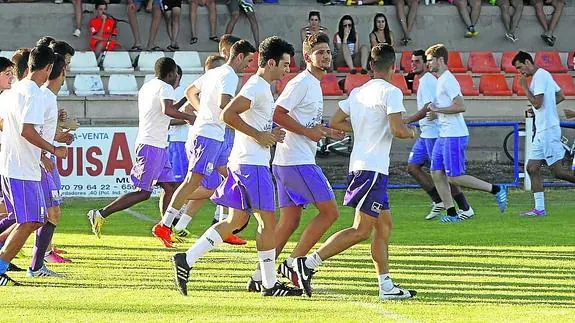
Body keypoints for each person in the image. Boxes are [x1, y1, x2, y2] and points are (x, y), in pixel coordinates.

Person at [171, 36, 302, 297]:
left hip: (246, 161)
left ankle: (186, 259)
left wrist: (269, 131)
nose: (288, 69)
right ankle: (268, 284)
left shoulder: (260, 87)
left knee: (236, 220)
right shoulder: (256, 86)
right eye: (285, 64)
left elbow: (248, 119)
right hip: (251, 164)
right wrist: (259, 135)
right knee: (267, 221)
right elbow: (227, 114)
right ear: (272, 62)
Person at [295, 43, 418, 301]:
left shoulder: (359, 91)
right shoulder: (392, 92)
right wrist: (412, 133)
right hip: (371, 169)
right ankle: (307, 265)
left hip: (367, 168)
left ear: (371, 66)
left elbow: (336, 122)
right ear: (393, 67)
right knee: (361, 230)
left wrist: (362, 128)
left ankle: (385, 286)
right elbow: (398, 129)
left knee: (384, 228)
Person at [246, 34, 344, 292]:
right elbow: (277, 114)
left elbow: (304, 124)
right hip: (295, 162)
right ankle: (293, 263)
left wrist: (323, 131)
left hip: (288, 161)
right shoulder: (302, 82)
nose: (325, 56)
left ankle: (259, 277)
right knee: (330, 212)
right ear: (307, 57)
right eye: (320, 52)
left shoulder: (312, 84)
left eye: (327, 52)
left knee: (289, 221)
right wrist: (307, 132)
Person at [151, 40, 256, 248]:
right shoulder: (229, 75)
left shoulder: (215, 73)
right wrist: (248, 115)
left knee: (229, 175)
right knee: (193, 181)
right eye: (249, 60)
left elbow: (190, 91)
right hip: (207, 136)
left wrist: (202, 113)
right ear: (239, 57)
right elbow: (225, 104)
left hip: (212, 134)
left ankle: (224, 226)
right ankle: (165, 224)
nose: (249, 66)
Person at [86, 57, 195, 238]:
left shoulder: (149, 86)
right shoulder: (164, 87)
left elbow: (165, 112)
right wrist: (189, 117)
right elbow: (168, 111)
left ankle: (165, 228)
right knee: (143, 192)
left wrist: (186, 97)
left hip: (157, 144)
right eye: (177, 75)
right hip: (152, 145)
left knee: (169, 186)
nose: (177, 79)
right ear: (170, 74)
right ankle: (100, 213)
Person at [0, 45, 67, 287]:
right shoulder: (34, 95)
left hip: (13, 164)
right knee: (30, 220)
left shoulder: (12, 91)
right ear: (49, 68)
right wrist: (52, 150)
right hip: (22, 168)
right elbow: (27, 131)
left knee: (33, 219)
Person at [424, 44, 507, 223]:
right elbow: (446, 108)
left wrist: (437, 110)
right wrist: (435, 113)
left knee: (454, 176)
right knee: (436, 172)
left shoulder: (448, 80)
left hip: (454, 134)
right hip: (444, 134)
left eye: (430, 60)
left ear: (440, 60)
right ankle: (452, 213)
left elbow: (461, 106)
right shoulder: (440, 80)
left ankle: (496, 189)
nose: (427, 64)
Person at [403, 50, 474, 220]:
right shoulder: (423, 81)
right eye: (412, 61)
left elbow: (429, 106)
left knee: (443, 173)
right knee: (413, 167)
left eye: (418, 61)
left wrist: (409, 120)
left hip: (434, 132)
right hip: (425, 133)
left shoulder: (428, 81)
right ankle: (438, 201)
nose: (414, 64)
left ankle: (464, 207)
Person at [512, 51, 574, 216]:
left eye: (520, 67)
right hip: (543, 130)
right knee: (532, 168)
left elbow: (538, 103)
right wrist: (538, 109)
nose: (520, 72)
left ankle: (540, 209)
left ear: (527, 61)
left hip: (548, 130)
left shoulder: (539, 77)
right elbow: (560, 96)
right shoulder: (544, 74)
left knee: (558, 172)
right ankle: (539, 209)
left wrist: (524, 87)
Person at [27, 54, 71, 277]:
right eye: (67, 65)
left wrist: (59, 135)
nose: (68, 70)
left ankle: (37, 264)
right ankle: (35, 266)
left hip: (44, 158)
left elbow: (42, 128)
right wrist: (45, 154)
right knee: (43, 214)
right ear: (60, 71)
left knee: (47, 214)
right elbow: (29, 130)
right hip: (40, 161)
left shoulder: (48, 98)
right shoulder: (43, 97)